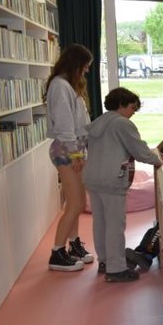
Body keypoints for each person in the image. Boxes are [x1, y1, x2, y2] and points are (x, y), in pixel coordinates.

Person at [83, 87, 163, 282]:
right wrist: (159, 160)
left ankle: (105, 261)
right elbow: (140, 151)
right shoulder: (122, 124)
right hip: (112, 180)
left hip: (93, 178)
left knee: (100, 223)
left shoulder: (98, 122)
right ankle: (116, 268)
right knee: (115, 225)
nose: (133, 113)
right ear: (121, 104)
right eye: (132, 108)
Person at [45, 43, 95, 272]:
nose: (87, 70)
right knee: (75, 204)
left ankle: (73, 244)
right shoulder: (60, 86)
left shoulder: (67, 85)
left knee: (78, 203)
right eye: (85, 66)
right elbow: (65, 126)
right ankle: (57, 253)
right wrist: (76, 154)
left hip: (75, 150)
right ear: (76, 63)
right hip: (67, 151)